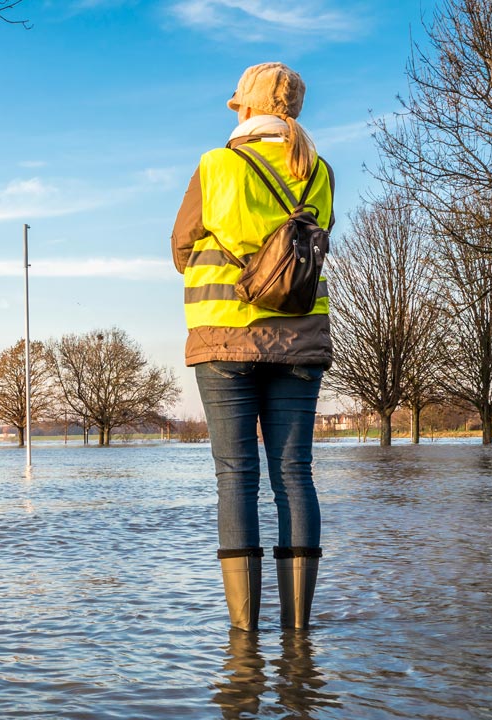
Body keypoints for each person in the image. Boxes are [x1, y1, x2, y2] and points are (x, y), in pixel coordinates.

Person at [170, 62, 335, 632]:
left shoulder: (216, 165)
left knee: (236, 475)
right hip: (302, 339)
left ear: (244, 106)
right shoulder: (318, 171)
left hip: (224, 336)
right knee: (295, 472)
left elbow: (181, 244)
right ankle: (299, 633)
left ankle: (243, 638)